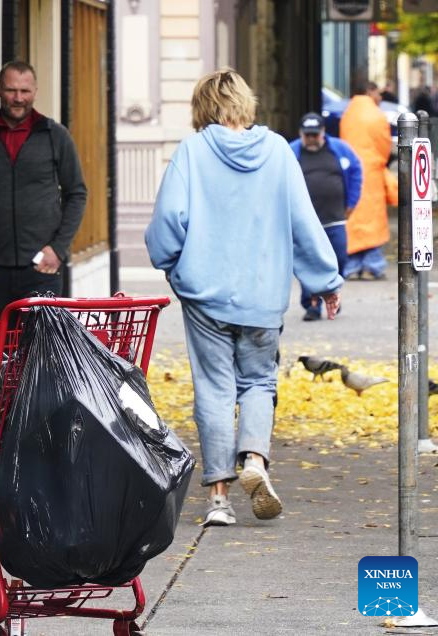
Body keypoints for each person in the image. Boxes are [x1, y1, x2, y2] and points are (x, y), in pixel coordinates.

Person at [145, 69, 342, 527]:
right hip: (262, 295)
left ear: (202, 107)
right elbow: (303, 221)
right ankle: (254, 458)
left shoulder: (192, 152)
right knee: (258, 382)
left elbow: (169, 221)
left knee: (214, 388)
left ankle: (219, 498)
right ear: (245, 103)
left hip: (205, 294)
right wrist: (325, 281)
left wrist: (173, 265)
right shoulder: (278, 151)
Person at [0, 60, 87, 321]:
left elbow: (76, 194)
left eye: (25, 91)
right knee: (2, 343)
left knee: (42, 342)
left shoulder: (56, 136)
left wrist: (58, 249)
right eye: (11, 90)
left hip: (42, 268)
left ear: (35, 91)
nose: (18, 98)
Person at [289, 112, 362, 321]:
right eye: (308, 135)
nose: (312, 139)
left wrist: (352, 202)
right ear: (301, 134)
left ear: (323, 132)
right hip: (306, 222)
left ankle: (332, 294)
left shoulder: (339, 149)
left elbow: (356, 171)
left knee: (339, 259)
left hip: (335, 217)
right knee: (309, 262)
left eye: (315, 134)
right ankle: (312, 305)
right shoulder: (291, 151)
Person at [340, 81, 393, 280]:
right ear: (370, 92)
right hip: (371, 171)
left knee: (354, 218)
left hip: (351, 172)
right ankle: (372, 265)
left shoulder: (348, 113)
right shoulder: (376, 114)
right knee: (373, 219)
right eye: (378, 93)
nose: (380, 97)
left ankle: (352, 266)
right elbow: (384, 145)